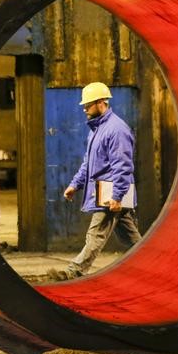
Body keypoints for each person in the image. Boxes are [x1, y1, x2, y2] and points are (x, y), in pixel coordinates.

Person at [51, 82, 142, 281]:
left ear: (101, 102)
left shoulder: (116, 130)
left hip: (110, 193)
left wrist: (117, 195)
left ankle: (74, 270)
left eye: (88, 105)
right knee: (131, 238)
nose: (84, 109)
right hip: (105, 191)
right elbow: (89, 162)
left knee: (96, 233)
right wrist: (75, 184)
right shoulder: (97, 129)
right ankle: (153, 264)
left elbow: (123, 166)